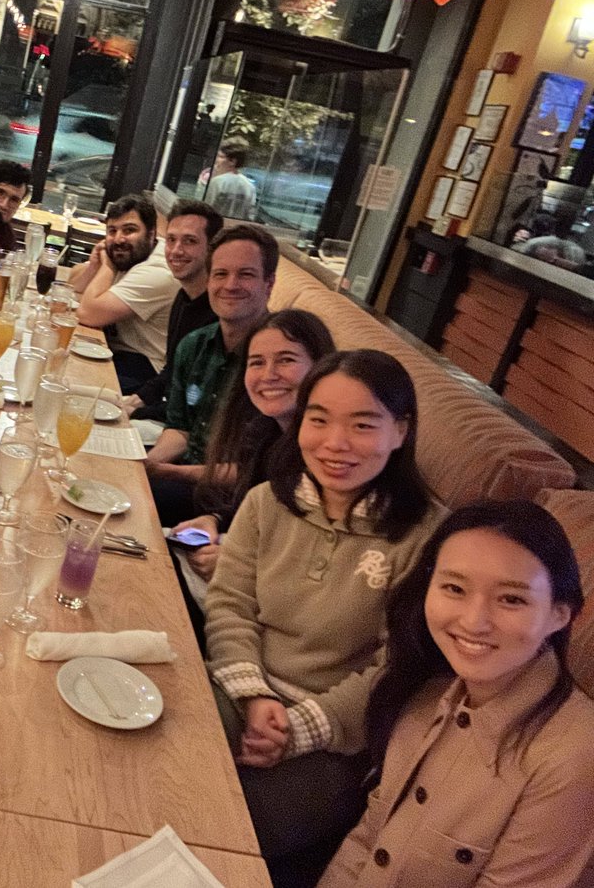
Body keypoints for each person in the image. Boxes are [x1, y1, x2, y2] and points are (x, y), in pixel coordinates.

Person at [205, 349, 444, 880]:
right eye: (319, 420)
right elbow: (230, 604)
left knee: (222, 830)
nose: (335, 444)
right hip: (235, 689)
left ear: (400, 431)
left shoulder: (426, 537)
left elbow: (398, 665)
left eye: (363, 425)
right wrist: (255, 694)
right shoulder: (267, 502)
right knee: (156, 762)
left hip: (339, 739)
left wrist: (301, 726)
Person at [320, 500, 594, 887]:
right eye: (454, 588)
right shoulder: (424, 693)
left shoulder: (572, 756)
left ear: (559, 615)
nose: (473, 621)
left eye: (511, 599)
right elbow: (365, 845)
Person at [175, 309, 336, 585]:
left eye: (286, 360)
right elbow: (249, 504)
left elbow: (319, 564)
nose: (268, 375)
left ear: (321, 366)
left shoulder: (329, 455)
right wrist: (214, 520)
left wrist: (240, 565)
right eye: (257, 362)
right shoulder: (266, 429)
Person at [145, 223, 277, 524]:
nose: (230, 285)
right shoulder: (194, 345)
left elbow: (254, 471)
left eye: (245, 274)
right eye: (220, 274)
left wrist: (165, 472)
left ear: (269, 284)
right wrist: (147, 463)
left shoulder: (276, 364)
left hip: (233, 502)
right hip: (186, 475)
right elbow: (180, 429)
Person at [121, 199, 224, 422]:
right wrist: (132, 401)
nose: (176, 251)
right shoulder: (183, 296)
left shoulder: (220, 314)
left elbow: (196, 406)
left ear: (212, 248)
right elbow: (173, 369)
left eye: (190, 241)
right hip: (167, 411)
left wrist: (135, 413)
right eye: (171, 240)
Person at [70, 194, 182, 393]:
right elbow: (72, 283)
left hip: (144, 367)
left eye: (130, 230)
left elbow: (88, 313)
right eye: (112, 231)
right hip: (113, 351)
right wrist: (94, 265)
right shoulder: (129, 255)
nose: (119, 239)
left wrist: (107, 268)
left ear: (151, 234)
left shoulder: (158, 271)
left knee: (68, 381)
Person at [205, 136, 256, 220]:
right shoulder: (249, 186)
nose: (216, 160)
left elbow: (206, 209)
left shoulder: (217, 182)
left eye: (221, 157)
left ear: (232, 161)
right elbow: (250, 215)